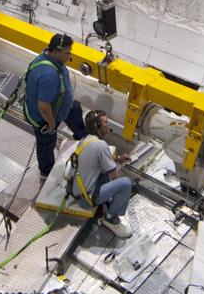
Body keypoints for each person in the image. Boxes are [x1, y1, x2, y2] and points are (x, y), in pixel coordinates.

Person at [23, 33, 86, 180]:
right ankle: (46, 173)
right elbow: (43, 105)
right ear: (56, 51)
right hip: (46, 117)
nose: (69, 56)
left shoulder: (47, 56)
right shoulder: (49, 75)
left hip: (61, 105)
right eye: (66, 52)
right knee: (46, 143)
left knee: (75, 108)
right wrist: (51, 123)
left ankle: (81, 137)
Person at [65, 109, 133, 238]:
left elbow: (97, 159)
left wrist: (117, 159)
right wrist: (119, 198)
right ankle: (110, 218)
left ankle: (108, 206)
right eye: (106, 122)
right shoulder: (101, 145)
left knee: (106, 170)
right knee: (126, 184)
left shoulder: (86, 140)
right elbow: (114, 177)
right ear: (97, 126)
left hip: (78, 193)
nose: (109, 125)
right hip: (87, 199)